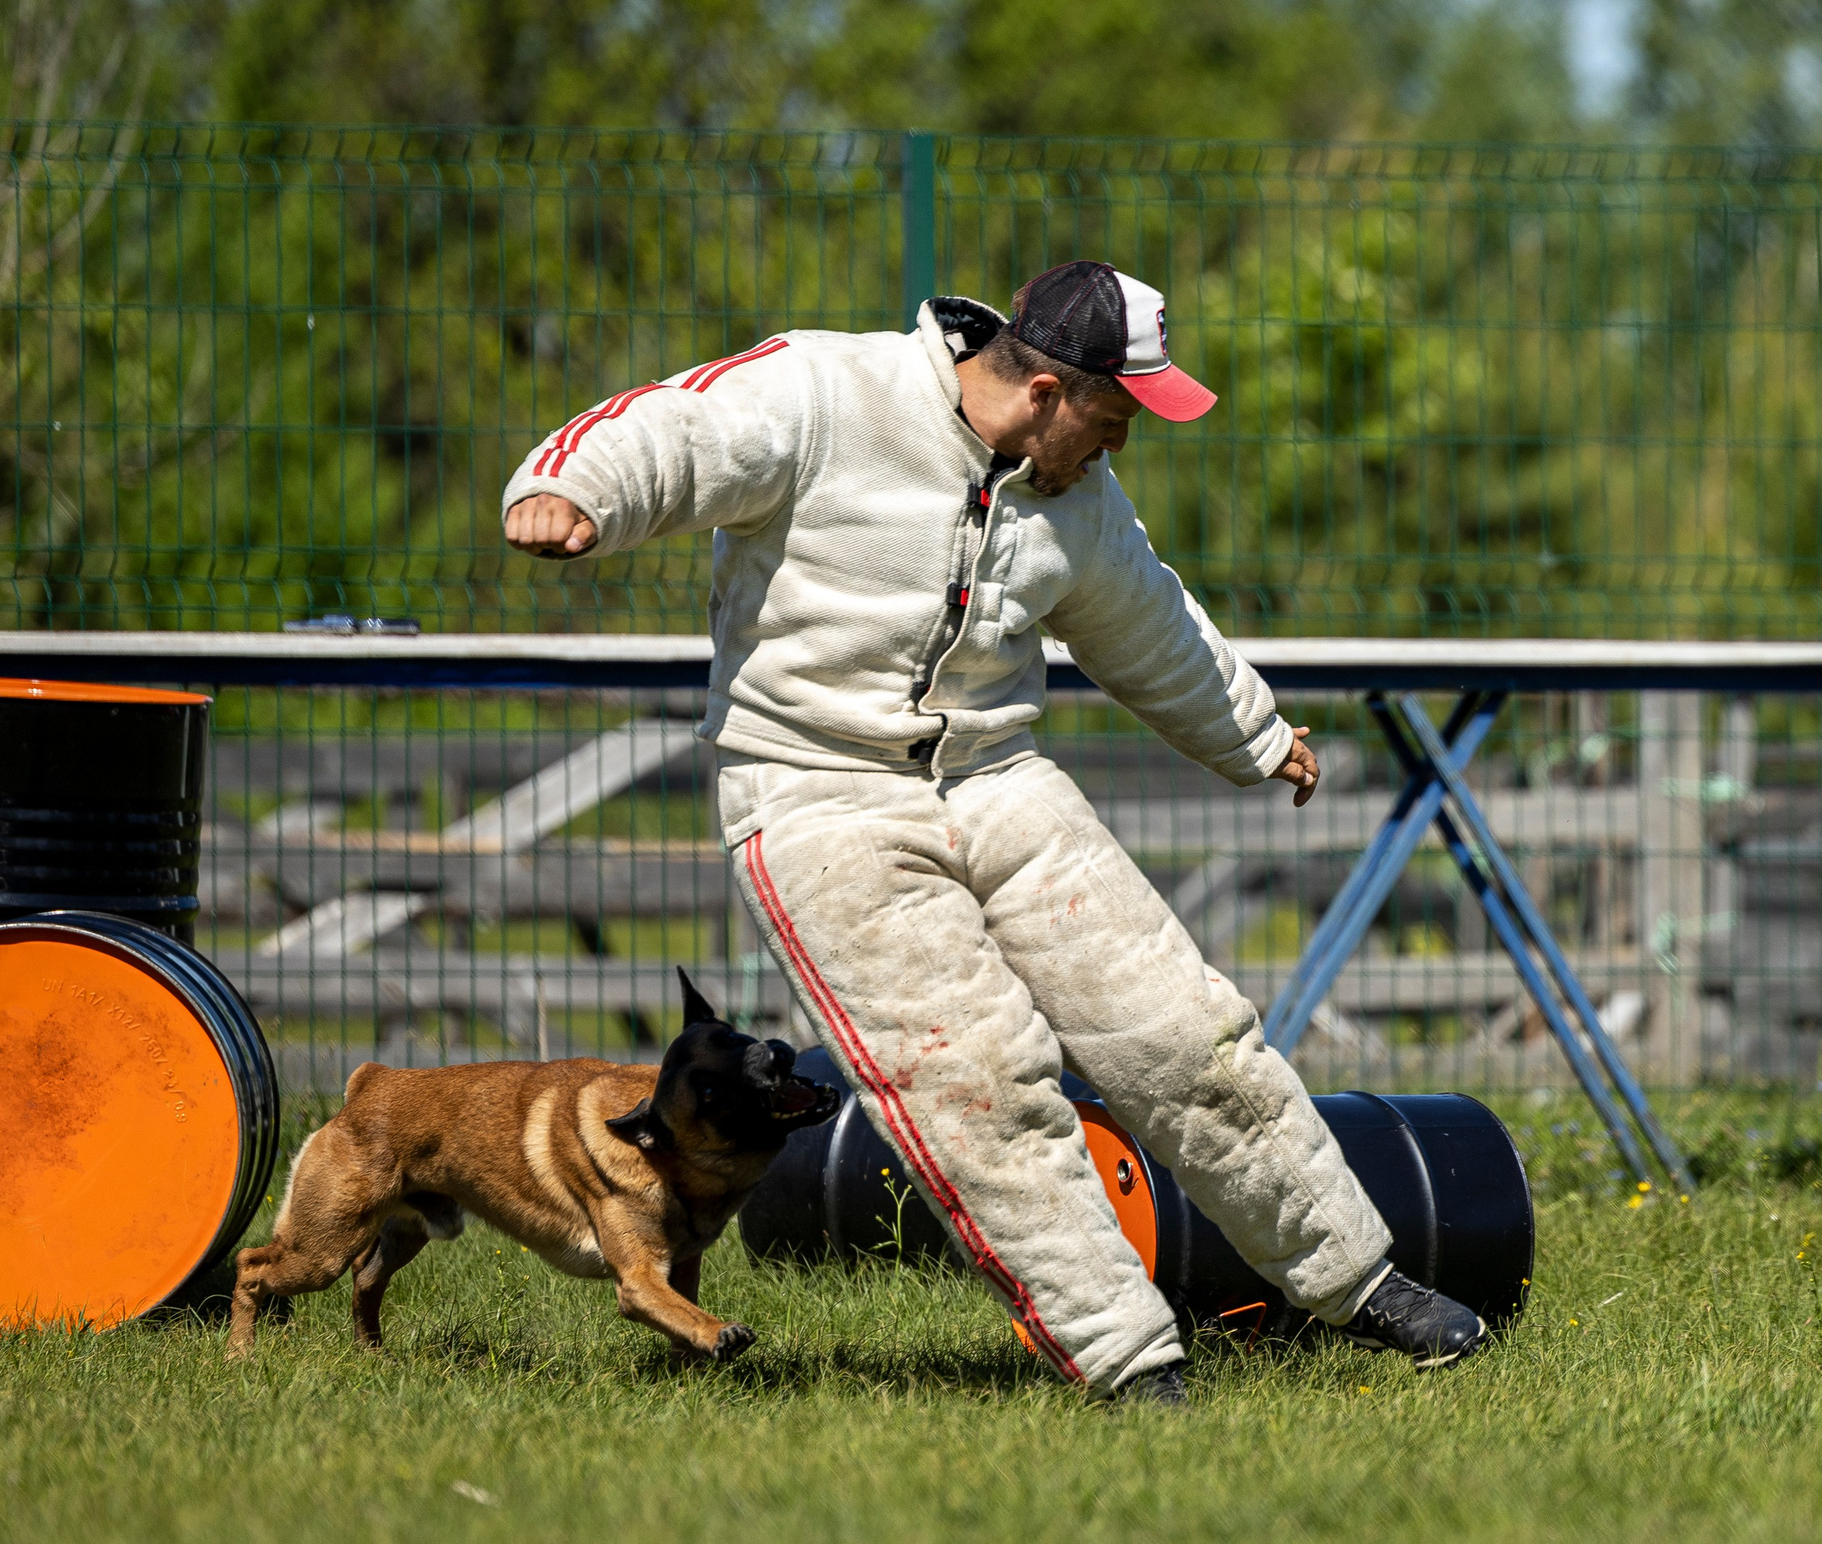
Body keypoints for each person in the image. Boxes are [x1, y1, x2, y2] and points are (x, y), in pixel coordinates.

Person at [502, 261, 1485, 1403]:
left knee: (1186, 1035)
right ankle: (1129, 1359)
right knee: (979, 1085)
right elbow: (678, 429)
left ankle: (1357, 1283)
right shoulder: (826, 391)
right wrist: (571, 486)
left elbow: (1148, 620)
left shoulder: (1073, 497)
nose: (1116, 449)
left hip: (998, 778)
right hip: (816, 795)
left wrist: (1257, 736)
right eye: (1113, 421)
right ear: (1047, 394)